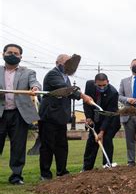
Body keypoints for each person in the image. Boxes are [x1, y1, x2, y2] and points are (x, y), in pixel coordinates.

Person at [39, 54, 93, 180]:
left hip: (61, 117)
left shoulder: (66, 77)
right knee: (48, 146)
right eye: (65, 63)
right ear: (57, 63)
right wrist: (82, 96)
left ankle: (62, 172)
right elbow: (66, 89)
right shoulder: (53, 75)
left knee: (62, 146)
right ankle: (45, 174)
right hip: (49, 117)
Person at [0, 44, 41, 185]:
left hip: (19, 115)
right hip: (1, 113)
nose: (12, 55)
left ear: (20, 57)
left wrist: (35, 88)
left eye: (16, 53)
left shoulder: (28, 72)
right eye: (9, 52)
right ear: (3, 54)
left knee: (18, 147)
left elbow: (35, 83)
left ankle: (16, 176)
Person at [82, 73, 120, 170]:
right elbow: (87, 103)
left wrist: (102, 132)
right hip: (96, 118)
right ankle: (87, 168)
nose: (102, 87)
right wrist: (88, 117)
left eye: (104, 85)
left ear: (108, 82)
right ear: (95, 83)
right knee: (92, 141)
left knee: (106, 139)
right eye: (99, 85)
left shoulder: (113, 93)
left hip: (111, 119)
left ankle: (106, 164)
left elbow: (108, 115)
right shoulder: (89, 85)